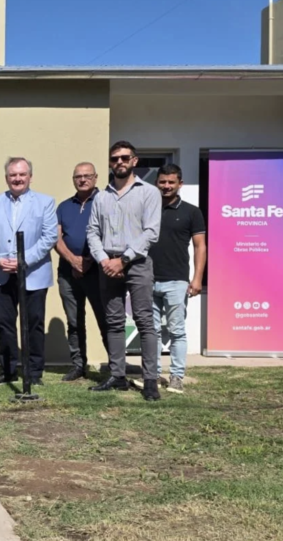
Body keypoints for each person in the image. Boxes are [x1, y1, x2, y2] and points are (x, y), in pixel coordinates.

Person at [87, 141, 162, 401]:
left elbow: (151, 232)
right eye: (114, 158)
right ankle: (117, 376)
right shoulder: (101, 196)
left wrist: (125, 259)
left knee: (144, 321)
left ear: (134, 161)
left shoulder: (149, 193)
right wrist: (104, 260)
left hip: (137, 263)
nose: (119, 162)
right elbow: (92, 232)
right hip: (107, 264)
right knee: (114, 322)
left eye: (124, 157)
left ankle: (150, 379)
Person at [0, 157, 58, 386]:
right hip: (2, 273)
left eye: (22, 174)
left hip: (33, 273)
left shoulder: (45, 202)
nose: (17, 179)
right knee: (5, 324)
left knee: (34, 323)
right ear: (6, 178)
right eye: (13, 175)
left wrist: (22, 260)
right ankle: (7, 371)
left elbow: (49, 237)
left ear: (30, 177)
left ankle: (34, 373)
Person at [139, 163, 205, 395]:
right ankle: (154, 375)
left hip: (176, 281)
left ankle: (177, 377)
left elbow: (200, 246)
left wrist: (197, 279)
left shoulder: (191, 212)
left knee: (177, 331)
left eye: (171, 182)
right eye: (162, 182)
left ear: (180, 184)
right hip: (147, 279)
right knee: (152, 331)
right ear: (156, 183)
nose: (166, 186)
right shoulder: (147, 209)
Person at [55, 162, 109, 382]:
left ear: (96, 178)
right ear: (73, 179)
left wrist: (88, 262)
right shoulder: (64, 206)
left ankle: (116, 366)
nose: (83, 180)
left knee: (105, 319)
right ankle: (79, 365)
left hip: (98, 271)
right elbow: (56, 238)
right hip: (68, 273)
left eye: (87, 176)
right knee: (74, 321)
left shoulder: (105, 202)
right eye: (78, 176)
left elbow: (111, 234)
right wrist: (73, 261)